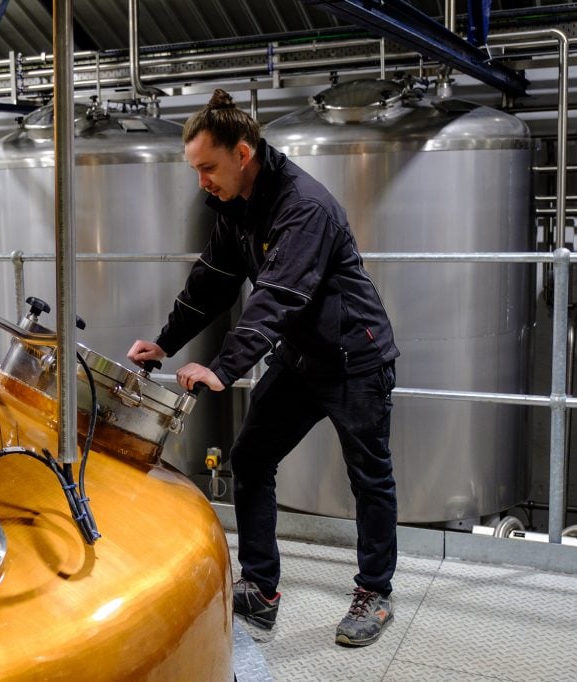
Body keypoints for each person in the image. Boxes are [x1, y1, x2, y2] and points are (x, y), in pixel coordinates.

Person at [127, 89, 400, 647]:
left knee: (369, 477)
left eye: (208, 167)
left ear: (243, 154)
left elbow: (277, 297)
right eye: (196, 169)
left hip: (354, 357)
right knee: (251, 458)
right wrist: (164, 344)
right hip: (300, 357)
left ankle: (375, 593)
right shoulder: (235, 206)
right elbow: (211, 283)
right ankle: (260, 588)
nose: (202, 181)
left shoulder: (305, 206)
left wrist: (224, 368)